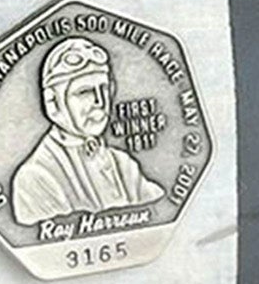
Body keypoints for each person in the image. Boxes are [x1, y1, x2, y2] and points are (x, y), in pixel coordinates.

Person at [11, 37, 163, 225]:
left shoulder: (123, 164)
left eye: (104, 88)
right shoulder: (35, 178)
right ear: (53, 104)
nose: (100, 101)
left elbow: (161, 211)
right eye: (85, 92)